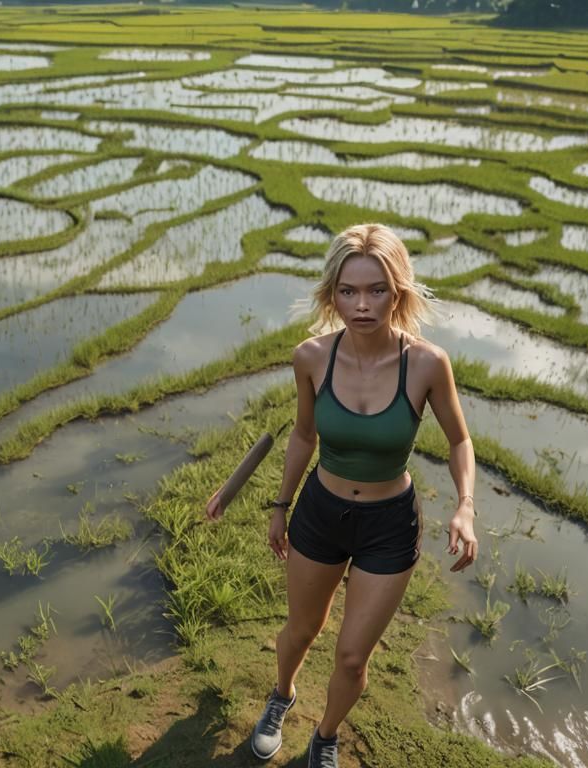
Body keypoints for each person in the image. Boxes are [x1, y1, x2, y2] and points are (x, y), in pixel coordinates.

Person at [204, 223, 479, 767]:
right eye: (348, 291)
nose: (362, 305)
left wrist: (465, 505)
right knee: (301, 630)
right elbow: (304, 435)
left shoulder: (426, 363)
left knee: (353, 658)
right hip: (320, 513)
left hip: (388, 524)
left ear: (397, 291)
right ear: (331, 294)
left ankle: (325, 735)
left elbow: (459, 439)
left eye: (377, 290)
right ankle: (281, 696)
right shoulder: (310, 357)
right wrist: (280, 507)